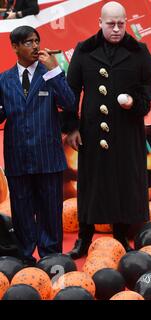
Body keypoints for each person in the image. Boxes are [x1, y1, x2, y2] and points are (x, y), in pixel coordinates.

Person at [62, 1, 151, 259]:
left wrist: (136, 100)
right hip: (92, 131)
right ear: (100, 23)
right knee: (91, 183)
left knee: (124, 181)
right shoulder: (85, 50)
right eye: (111, 24)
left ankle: (120, 235)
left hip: (126, 130)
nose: (116, 29)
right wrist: (71, 127)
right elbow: (71, 92)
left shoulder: (139, 50)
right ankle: (84, 237)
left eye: (121, 23)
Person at [0, 26, 75, 265]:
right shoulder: (3, 80)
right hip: (17, 156)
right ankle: (24, 257)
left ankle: (51, 255)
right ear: (15, 47)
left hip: (48, 155)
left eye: (37, 41)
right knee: (21, 210)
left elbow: (69, 102)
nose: (35, 46)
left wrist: (55, 71)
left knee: (50, 209)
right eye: (28, 42)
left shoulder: (50, 73)